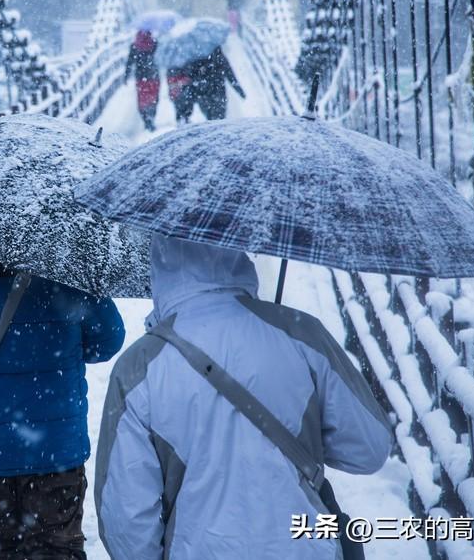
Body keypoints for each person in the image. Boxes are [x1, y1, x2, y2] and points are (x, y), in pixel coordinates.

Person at [95, 236, 393, 559]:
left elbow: (126, 526)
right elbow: (369, 448)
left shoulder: (139, 367)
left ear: (159, 259)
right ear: (236, 243)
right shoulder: (300, 333)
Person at [0, 249, 125, 560]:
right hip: (57, 452)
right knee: (58, 548)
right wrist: (67, 349)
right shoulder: (70, 272)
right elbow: (109, 340)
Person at [170, 46, 245, 123]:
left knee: (212, 119)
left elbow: (188, 77)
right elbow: (227, 70)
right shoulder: (212, 47)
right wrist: (237, 88)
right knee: (219, 118)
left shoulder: (190, 54)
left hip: (203, 92)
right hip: (216, 90)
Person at [125, 30, 160, 131]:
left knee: (142, 98)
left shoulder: (134, 46)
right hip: (153, 75)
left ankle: (146, 118)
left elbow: (130, 62)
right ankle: (151, 116)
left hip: (140, 77)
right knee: (153, 97)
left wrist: (126, 75)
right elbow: (160, 57)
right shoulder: (155, 43)